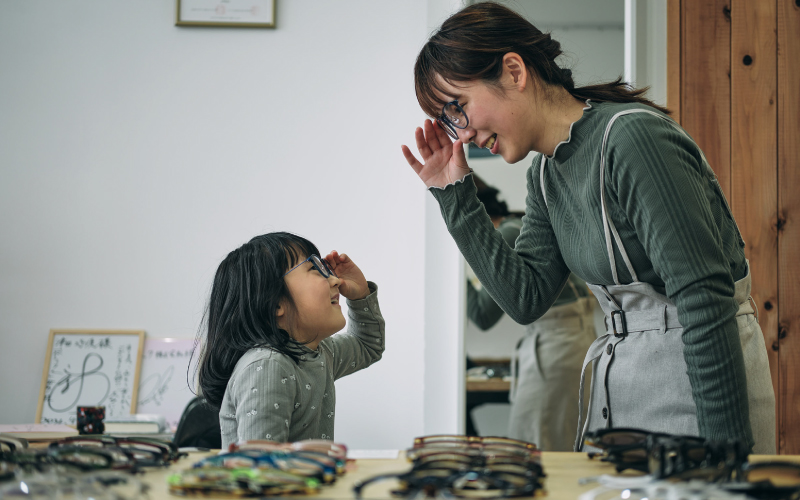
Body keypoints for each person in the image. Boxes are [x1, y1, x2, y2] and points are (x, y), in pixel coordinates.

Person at [400, 2, 775, 453]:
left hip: (701, 393)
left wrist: (726, 460)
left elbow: (703, 299)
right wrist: (455, 197)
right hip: (624, 389)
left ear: (514, 71)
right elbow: (525, 299)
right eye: (447, 122)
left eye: (458, 109)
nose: (460, 135)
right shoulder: (543, 174)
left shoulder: (632, 138)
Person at [195, 232, 385, 448]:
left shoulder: (318, 352)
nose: (335, 280)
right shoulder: (268, 366)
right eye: (315, 269)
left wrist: (360, 295)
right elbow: (261, 467)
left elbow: (368, 346)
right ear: (276, 304)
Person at [466, 175, 596, 451]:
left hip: (557, 347)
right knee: (552, 445)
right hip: (571, 342)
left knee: (535, 450)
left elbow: (482, 315)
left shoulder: (508, 234)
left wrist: (455, 267)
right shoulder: (519, 225)